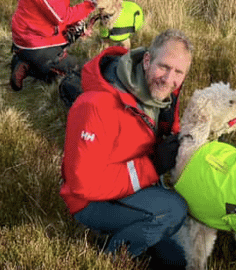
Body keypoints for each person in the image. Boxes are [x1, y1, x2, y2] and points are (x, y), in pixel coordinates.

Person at [60, 29, 193, 269]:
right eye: (164, 67)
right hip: (89, 201)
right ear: (147, 61)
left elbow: (168, 127)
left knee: (176, 261)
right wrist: (153, 166)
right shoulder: (97, 104)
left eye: (179, 72)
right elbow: (83, 183)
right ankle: (110, 259)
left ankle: (125, 235)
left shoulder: (165, 94)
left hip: (134, 186)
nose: (169, 79)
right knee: (173, 210)